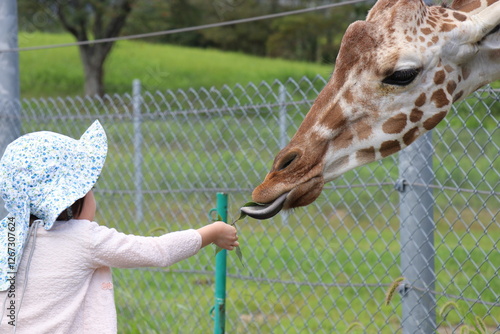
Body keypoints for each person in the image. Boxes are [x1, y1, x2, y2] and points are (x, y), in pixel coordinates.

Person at [0, 120, 239, 333]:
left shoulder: (7, 236)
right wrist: (212, 232)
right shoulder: (85, 239)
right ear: (73, 198)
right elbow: (158, 251)